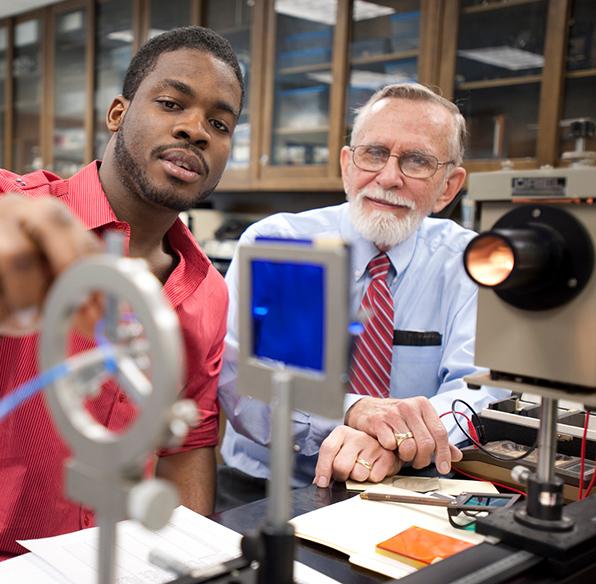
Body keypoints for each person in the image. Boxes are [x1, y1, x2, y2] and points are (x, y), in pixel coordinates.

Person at [0, 26, 243, 583]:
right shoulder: (10, 207)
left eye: (220, 123)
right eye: (170, 103)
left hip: (124, 564)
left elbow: (187, 445)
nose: (195, 129)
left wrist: (188, 567)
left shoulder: (208, 290)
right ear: (117, 113)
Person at [216, 83, 510, 511]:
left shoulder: (469, 262)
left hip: (403, 485)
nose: (389, 178)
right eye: (374, 153)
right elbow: (244, 382)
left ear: (448, 186)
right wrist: (350, 412)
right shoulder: (281, 245)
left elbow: (480, 390)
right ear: (347, 164)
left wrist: (399, 439)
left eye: (417, 161)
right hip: (262, 488)